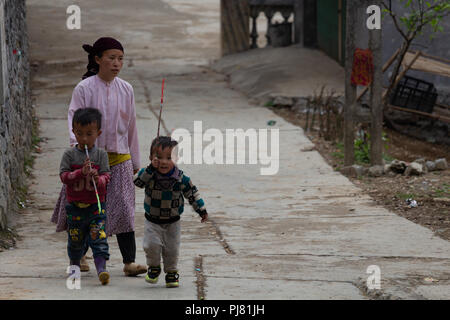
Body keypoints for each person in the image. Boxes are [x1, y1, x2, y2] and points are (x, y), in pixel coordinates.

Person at [52, 37, 147, 276]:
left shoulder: (127, 89)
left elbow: (132, 125)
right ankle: (81, 255)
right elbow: (73, 120)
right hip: (90, 160)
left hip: (119, 159)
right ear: (97, 59)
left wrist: (135, 160)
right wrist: (78, 151)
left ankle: (129, 262)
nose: (116, 63)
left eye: (120, 59)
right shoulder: (84, 89)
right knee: (86, 208)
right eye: (111, 58)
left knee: (124, 210)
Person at [134, 136, 208, 288]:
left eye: (169, 157)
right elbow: (137, 182)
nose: (164, 161)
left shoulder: (181, 178)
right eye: (159, 157)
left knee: (172, 249)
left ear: (176, 158)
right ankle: (154, 267)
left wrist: (201, 210)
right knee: (150, 245)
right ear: (151, 158)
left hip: (173, 221)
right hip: (152, 220)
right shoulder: (150, 175)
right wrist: (149, 168)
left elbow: (192, 194)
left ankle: (171, 272)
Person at [60, 108, 111, 285]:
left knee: (99, 238)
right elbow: (64, 177)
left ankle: (102, 269)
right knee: (75, 241)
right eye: (79, 133)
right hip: (75, 208)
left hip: (96, 207)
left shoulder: (101, 155)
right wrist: (80, 173)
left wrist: (99, 179)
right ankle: (74, 266)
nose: (84, 139)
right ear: (73, 131)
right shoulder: (69, 154)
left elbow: (107, 176)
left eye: (89, 134)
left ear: (98, 133)